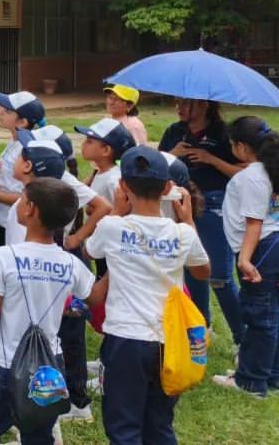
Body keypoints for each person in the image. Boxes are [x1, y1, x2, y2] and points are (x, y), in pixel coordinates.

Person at [85, 146, 210, 445]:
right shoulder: (183, 234)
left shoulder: (113, 226)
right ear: (169, 188)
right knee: (160, 423)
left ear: (123, 186)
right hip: (170, 340)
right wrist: (188, 220)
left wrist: (117, 209)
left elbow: (91, 249)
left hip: (125, 340)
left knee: (124, 425)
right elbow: (203, 271)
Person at [0, 179, 97, 445]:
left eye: (21, 200)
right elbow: (90, 298)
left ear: (30, 210)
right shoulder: (70, 264)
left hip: (4, 363)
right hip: (50, 365)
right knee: (38, 433)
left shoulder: (4, 257)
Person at [158, 99, 244, 341]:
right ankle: (201, 328)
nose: (180, 107)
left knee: (219, 277)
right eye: (179, 103)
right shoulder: (175, 131)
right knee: (191, 267)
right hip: (180, 202)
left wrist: (211, 159)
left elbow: (246, 171)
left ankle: (242, 339)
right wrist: (172, 154)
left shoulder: (223, 133)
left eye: (188, 104)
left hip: (215, 205)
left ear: (205, 105)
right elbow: (155, 164)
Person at [213, 116, 279, 396]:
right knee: (271, 312)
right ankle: (270, 374)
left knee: (258, 315)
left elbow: (255, 222)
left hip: (261, 249)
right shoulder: (268, 170)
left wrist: (245, 259)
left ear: (241, 146)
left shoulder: (252, 177)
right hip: (272, 247)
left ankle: (251, 381)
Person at [74, 118, 134, 280]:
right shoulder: (101, 173)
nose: (84, 145)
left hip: (112, 246)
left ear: (106, 150)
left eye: (89, 141)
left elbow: (126, 209)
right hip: (103, 242)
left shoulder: (114, 179)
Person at [0, 92, 45, 246]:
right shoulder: (14, 141)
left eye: (7, 111)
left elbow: (29, 197)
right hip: (7, 220)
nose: (0, 113)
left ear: (22, 122)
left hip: (18, 226)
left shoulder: (26, 150)